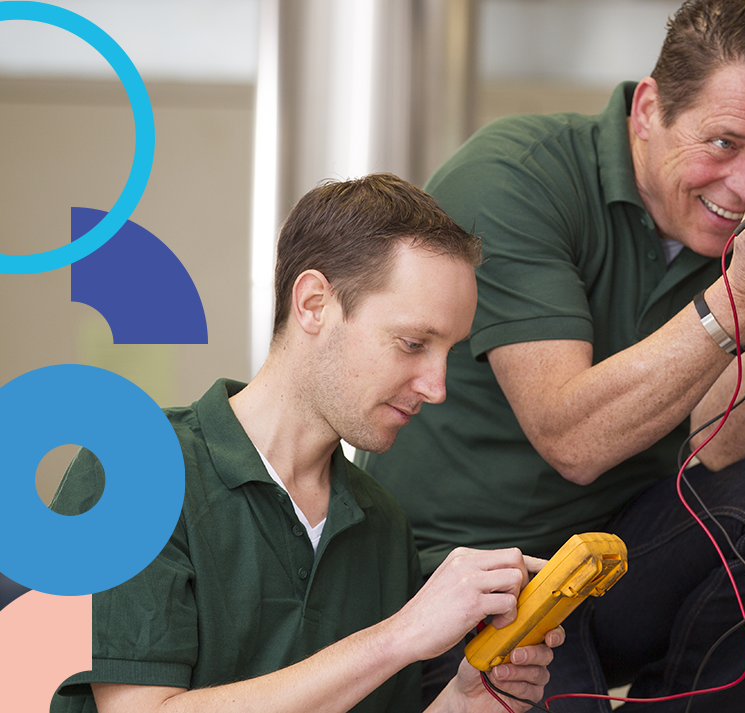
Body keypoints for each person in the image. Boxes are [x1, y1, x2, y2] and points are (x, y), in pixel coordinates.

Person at [363, 1, 745, 711]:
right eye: (723, 142)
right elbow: (572, 439)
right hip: (473, 578)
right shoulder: (515, 176)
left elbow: (725, 440)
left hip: (611, 559)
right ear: (649, 109)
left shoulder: (739, 227)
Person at [48, 174, 563, 713]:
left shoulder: (383, 525)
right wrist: (400, 635)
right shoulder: (134, 466)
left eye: (449, 352)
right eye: (413, 343)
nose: (437, 388)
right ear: (314, 304)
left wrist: (465, 700)